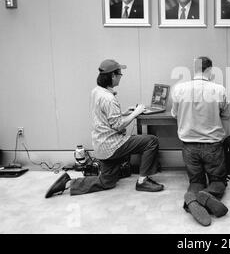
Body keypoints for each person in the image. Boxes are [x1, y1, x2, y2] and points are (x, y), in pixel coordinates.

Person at [45, 59, 164, 198]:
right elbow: (118, 125)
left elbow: (105, 116)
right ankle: (143, 181)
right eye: (120, 74)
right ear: (113, 76)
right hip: (112, 145)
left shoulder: (96, 91)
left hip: (101, 145)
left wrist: (124, 112)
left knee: (107, 182)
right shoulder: (109, 98)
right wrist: (136, 112)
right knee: (151, 141)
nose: (121, 77)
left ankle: (68, 183)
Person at [171, 56, 230, 226]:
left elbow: (175, 114)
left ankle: (192, 198)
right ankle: (206, 196)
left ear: (194, 69)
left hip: (189, 147)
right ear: (210, 70)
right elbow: (226, 116)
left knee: (196, 181)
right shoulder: (219, 89)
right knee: (218, 181)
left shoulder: (179, 89)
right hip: (213, 146)